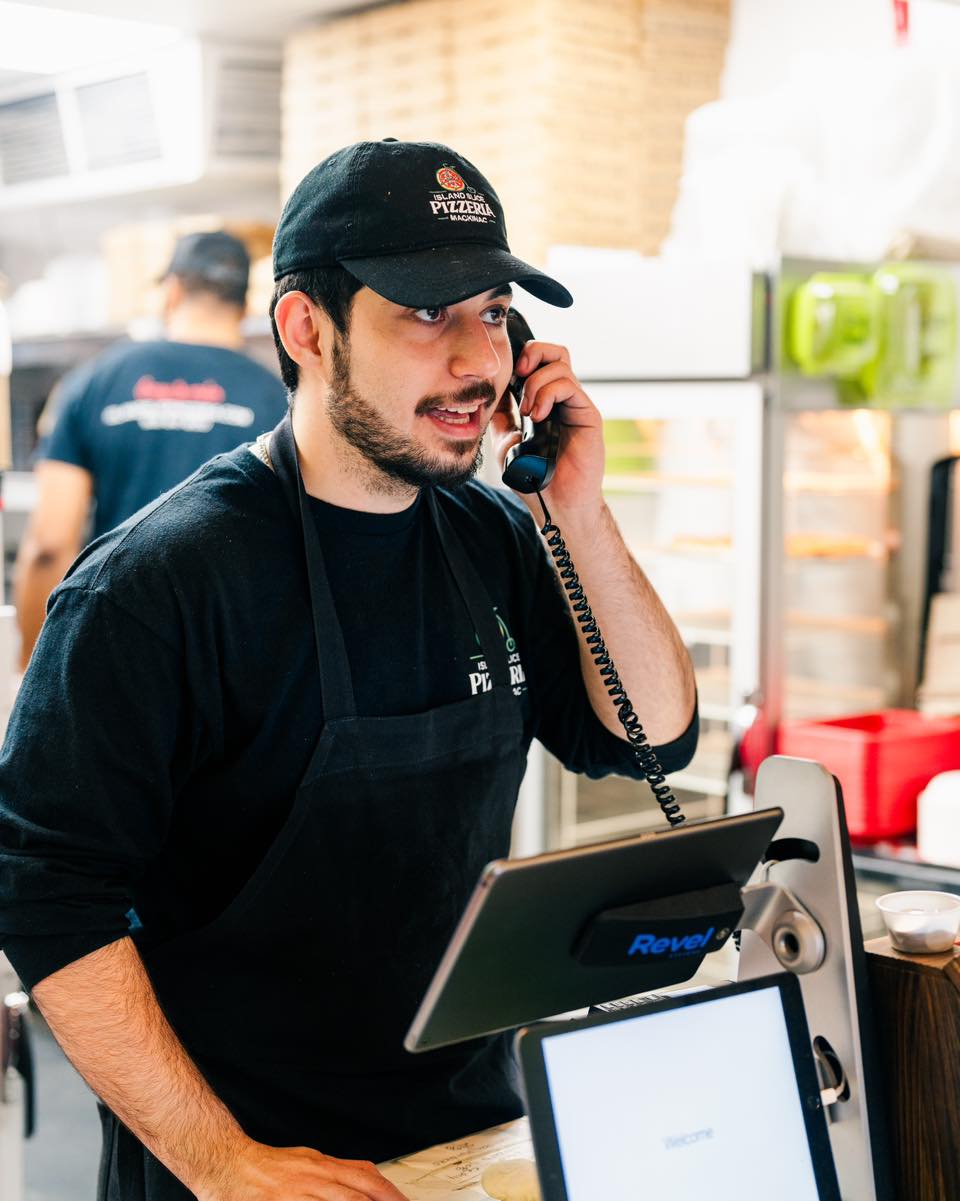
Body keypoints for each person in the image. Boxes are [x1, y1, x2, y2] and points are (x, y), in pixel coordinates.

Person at [0, 140, 698, 1201]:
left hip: (471, 1139)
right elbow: (44, 893)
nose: (481, 361)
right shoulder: (156, 587)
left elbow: (649, 733)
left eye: (496, 313)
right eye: (428, 314)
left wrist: (581, 512)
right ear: (306, 328)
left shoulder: (496, 538)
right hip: (244, 1166)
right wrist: (226, 1162)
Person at [13, 230, 288, 670]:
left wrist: (32, 670)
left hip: (114, 642)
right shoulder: (280, 399)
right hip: (233, 654)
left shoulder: (93, 382)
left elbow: (49, 543)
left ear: (173, 290)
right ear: (246, 302)